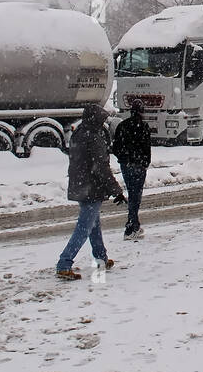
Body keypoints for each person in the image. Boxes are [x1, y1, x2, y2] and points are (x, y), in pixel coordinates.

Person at [56, 103, 125, 281]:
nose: (104, 124)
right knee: (84, 227)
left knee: (93, 225)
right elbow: (101, 167)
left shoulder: (79, 132)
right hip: (91, 187)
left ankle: (101, 258)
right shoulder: (94, 136)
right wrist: (116, 190)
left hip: (80, 184)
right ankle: (64, 263)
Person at [111, 98, 152, 239]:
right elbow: (147, 148)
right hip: (139, 165)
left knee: (132, 193)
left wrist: (123, 158)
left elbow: (115, 147)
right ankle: (131, 227)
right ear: (141, 112)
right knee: (136, 196)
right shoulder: (143, 127)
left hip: (126, 165)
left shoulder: (122, 126)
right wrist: (145, 162)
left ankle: (134, 225)